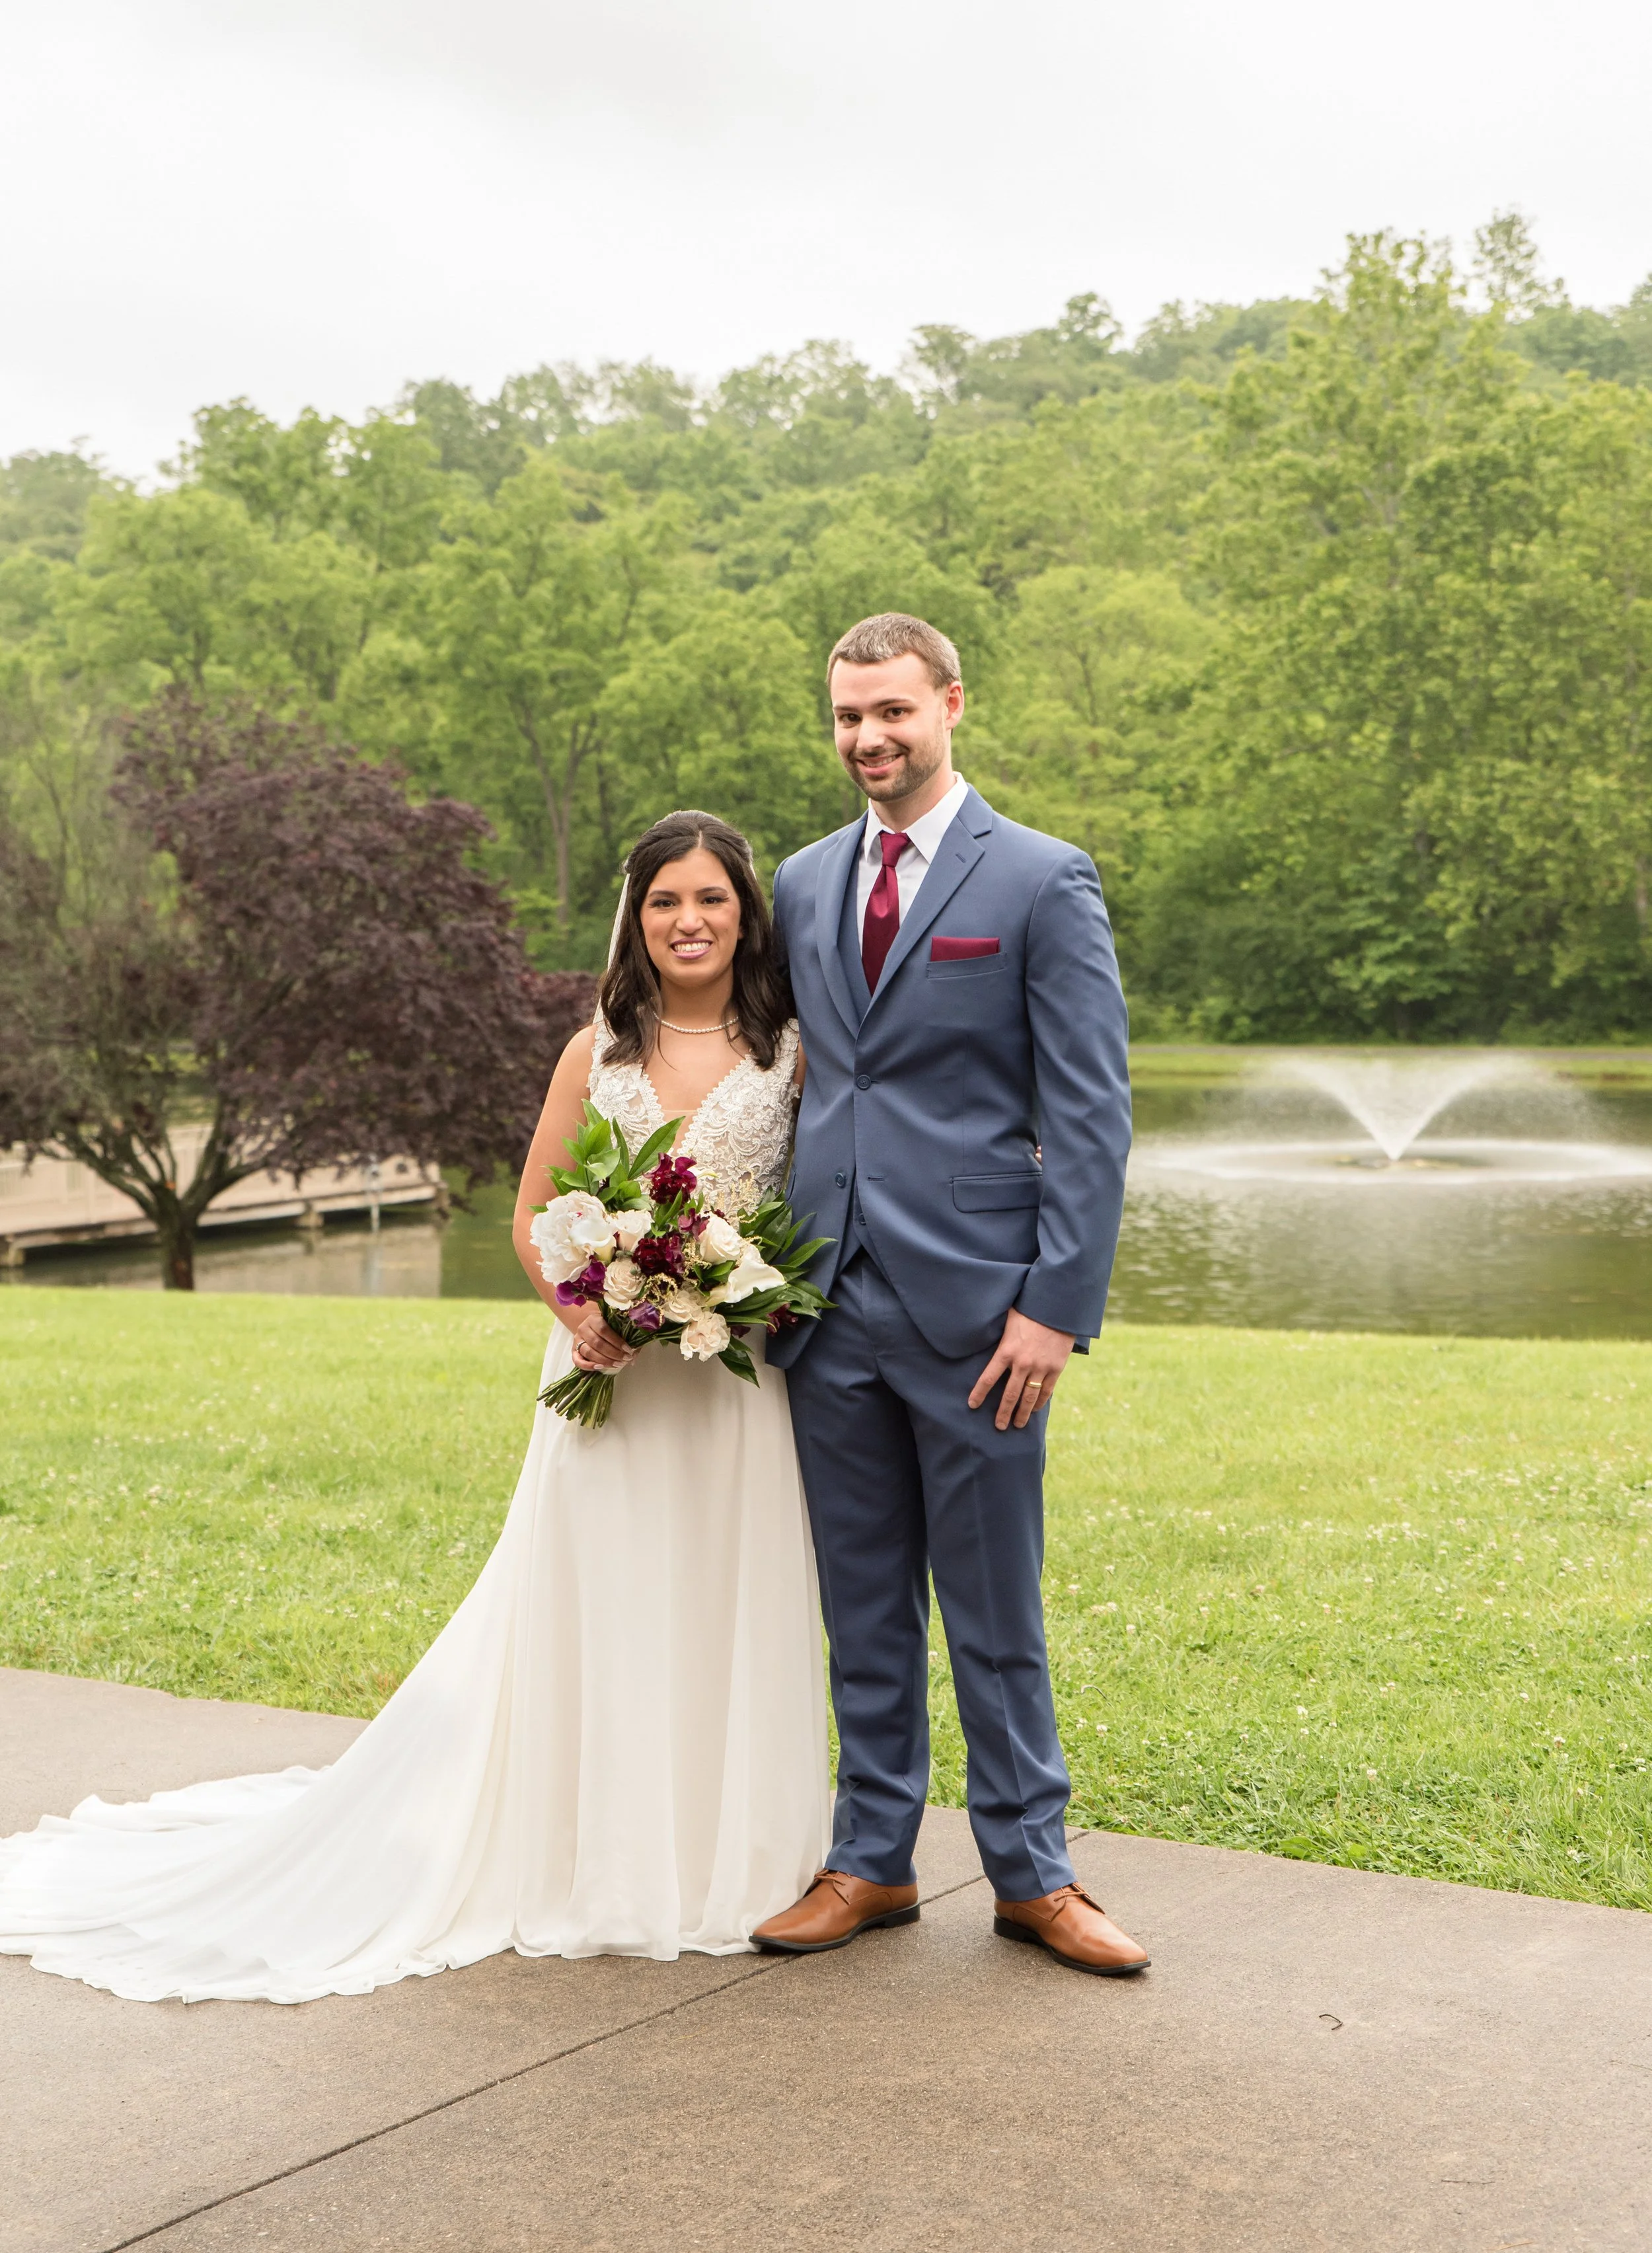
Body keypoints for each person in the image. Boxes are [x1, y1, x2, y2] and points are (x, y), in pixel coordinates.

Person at [0, 812, 829, 2002]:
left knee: (722, 1602)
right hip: (606, 1380)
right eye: (663, 902)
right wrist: (582, 1310)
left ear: (745, 911)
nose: (688, 922)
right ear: (634, 919)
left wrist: (729, 1293)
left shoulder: (790, 1052)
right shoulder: (595, 1049)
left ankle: (730, 1856)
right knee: (604, 1606)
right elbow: (537, 1213)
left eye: (710, 899)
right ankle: (596, 1852)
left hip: (736, 1388)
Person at [756, 613, 1150, 1976]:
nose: (868, 739)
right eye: (845, 717)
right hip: (822, 1312)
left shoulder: (1041, 882)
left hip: (985, 1317)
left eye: (891, 714)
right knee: (860, 1609)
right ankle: (870, 1862)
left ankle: (1032, 1876)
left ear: (949, 707)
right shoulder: (801, 884)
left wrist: (1053, 1305)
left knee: (992, 1612)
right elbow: (774, 1073)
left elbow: (1090, 1117)